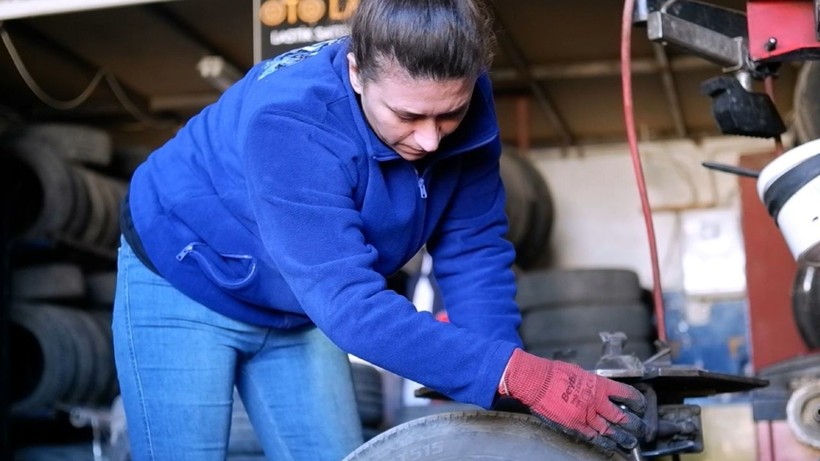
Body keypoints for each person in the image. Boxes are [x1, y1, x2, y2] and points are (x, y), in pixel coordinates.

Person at [113, 0, 648, 459]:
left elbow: (474, 251)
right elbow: (350, 306)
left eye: (449, 115)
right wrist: (524, 374)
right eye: (407, 116)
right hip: (185, 278)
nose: (432, 140)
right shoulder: (290, 123)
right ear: (354, 73)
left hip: (298, 305)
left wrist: (511, 393)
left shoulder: (456, 98)